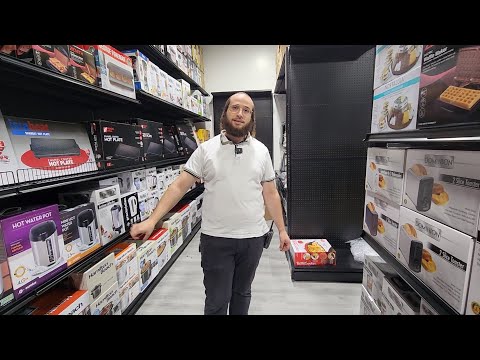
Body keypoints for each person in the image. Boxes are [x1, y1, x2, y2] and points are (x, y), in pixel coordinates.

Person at [130, 92, 290, 315]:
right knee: (216, 300)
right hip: (216, 239)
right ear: (224, 113)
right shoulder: (206, 150)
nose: (240, 114)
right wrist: (153, 220)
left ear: (252, 118)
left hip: (253, 238)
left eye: (246, 110)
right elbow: (179, 186)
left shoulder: (262, 152)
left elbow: (271, 194)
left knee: (242, 294)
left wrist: (282, 230)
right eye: (235, 108)